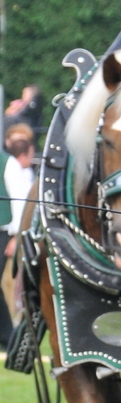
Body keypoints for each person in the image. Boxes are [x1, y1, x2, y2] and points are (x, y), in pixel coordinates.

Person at [3, 124, 37, 327]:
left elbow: (20, 203)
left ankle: (14, 324)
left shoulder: (16, 168)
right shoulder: (14, 167)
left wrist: (17, 236)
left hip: (13, 233)